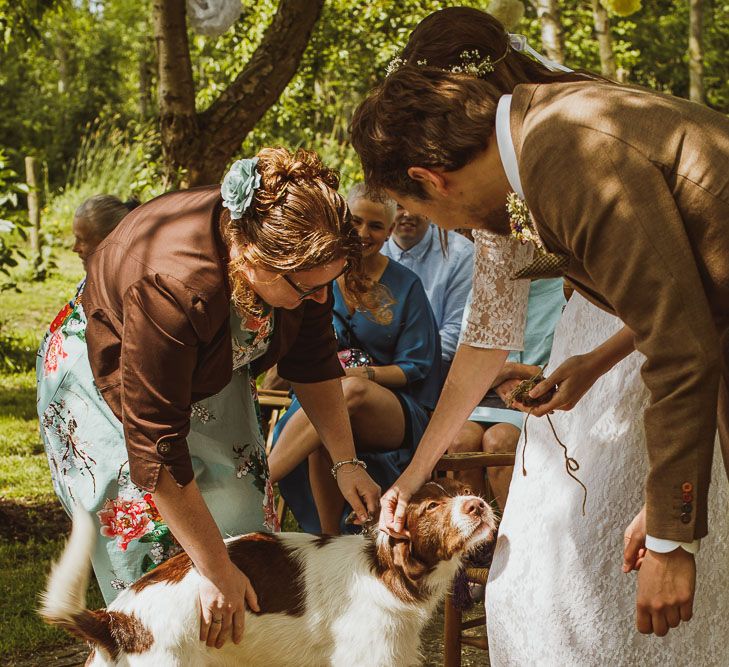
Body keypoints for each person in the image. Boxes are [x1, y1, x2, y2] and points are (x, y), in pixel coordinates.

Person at [349, 6, 729, 639]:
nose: (455, 233)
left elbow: (681, 346)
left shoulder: (567, 152)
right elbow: (679, 289)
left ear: (430, 179)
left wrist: (668, 538)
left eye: (428, 213)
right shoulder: (543, 137)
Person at [38, 148, 381, 651]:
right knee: (159, 559)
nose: (319, 299)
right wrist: (214, 567)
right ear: (254, 259)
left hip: (210, 368)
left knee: (244, 532)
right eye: (307, 289)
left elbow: (314, 361)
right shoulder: (173, 287)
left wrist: (346, 461)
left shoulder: (303, 267)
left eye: (325, 285)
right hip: (107, 373)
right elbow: (157, 449)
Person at [267, 184, 442, 534]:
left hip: (393, 407)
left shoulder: (406, 286)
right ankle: (327, 537)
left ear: (390, 231)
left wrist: (366, 376)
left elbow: (417, 366)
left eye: (376, 226)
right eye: (357, 222)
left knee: (345, 394)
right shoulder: (320, 275)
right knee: (326, 419)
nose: (364, 234)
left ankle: (262, 481)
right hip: (324, 399)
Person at [448, 277, 565, 507]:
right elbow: (465, 361)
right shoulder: (483, 290)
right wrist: (496, 379)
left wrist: (511, 370)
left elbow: (569, 363)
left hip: (538, 396)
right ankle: (478, 538)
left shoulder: (563, 290)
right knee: (459, 442)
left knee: (498, 440)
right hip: (484, 395)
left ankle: (510, 537)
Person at [381, 204, 473, 372]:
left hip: (431, 368)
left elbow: (455, 329)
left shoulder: (460, 254)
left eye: (416, 206)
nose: (408, 214)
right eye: (400, 206)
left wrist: (404, 369)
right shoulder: (373, 248)